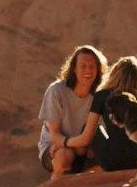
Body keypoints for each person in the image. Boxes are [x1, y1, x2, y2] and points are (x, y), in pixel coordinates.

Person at [38, 45, 107, 177]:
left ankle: (79, 186)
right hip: (56, 147)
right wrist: (74, 145)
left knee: (106, 157)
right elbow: (54, 135)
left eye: (92, 66)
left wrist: (86, 147)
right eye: (83, 66)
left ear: (98, 70)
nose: (88, 70)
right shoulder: (56, 91)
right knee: (65, 155)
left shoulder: (100, 95)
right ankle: (54, 185)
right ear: (74, 68)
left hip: (84, 148)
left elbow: (102, 130)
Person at [88, 56, 137, 172]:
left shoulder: (102, 95)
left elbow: (87, 135)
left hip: (113, 161)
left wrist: (66, 143)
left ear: (114, 74)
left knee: (91, 129)